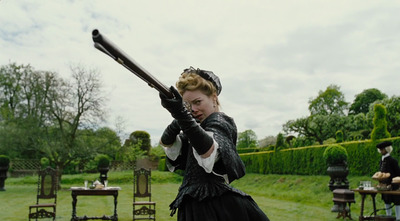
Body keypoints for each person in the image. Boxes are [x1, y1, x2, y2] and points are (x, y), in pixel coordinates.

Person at [159, 67, 269, 221]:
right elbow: (166, 143)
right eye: (188, 106)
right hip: (193, 207)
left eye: (198, 102)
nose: (193, 110)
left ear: (214, 98)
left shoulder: (220, 121)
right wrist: (178, 120)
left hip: (215, 208)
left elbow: (209, 150)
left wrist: (182, 114)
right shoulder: (195, 128)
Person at [377, 141, 400, 220]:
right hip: (384, 185)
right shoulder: (381, 161)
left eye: (382, 149)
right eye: (380, 149)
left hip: (394, 184)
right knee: (387, 200)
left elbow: (398, 173)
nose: (381, 151)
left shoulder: (393, 161)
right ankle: (388, 217)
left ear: (387, 149)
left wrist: (394, 183)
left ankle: (398, 217)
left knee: (397, 201)